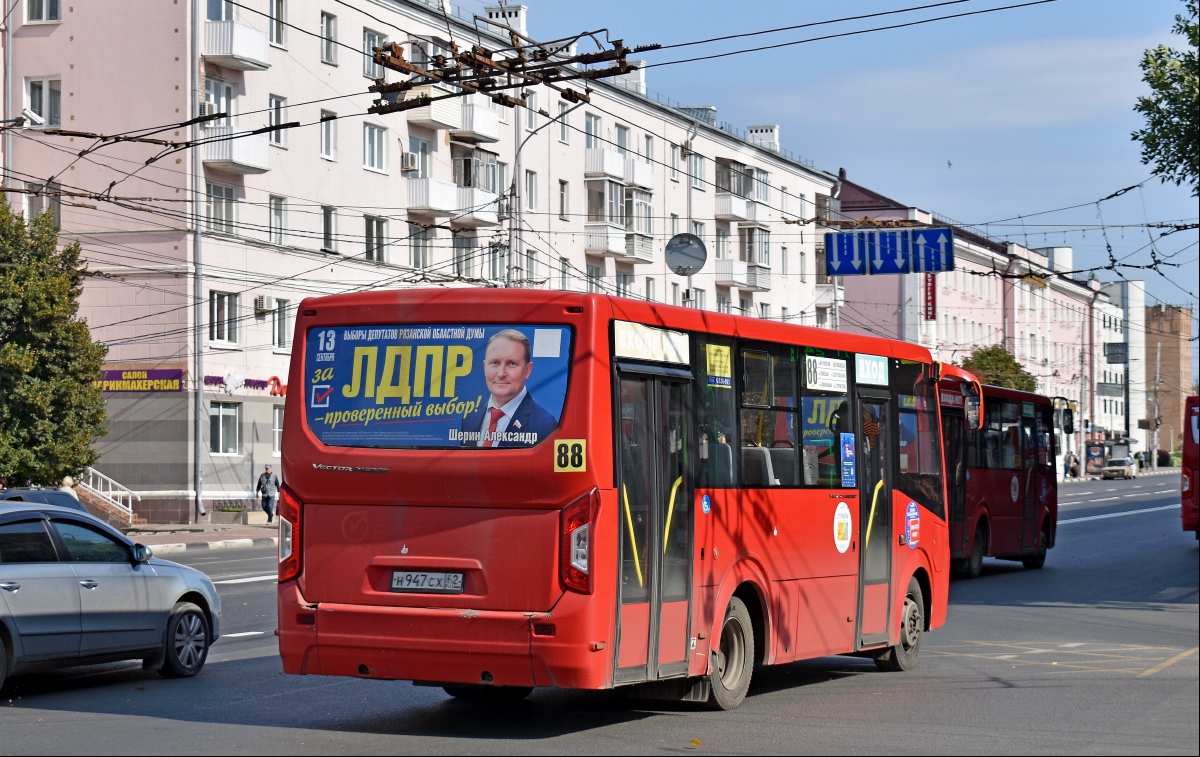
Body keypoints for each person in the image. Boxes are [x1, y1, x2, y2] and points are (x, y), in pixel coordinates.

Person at [460, 329, 558, 447]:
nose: (501, 373)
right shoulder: (470, 419)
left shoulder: (545, 424)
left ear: (527, 370)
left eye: (512, 363)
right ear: (485, 367)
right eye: (495, 363)